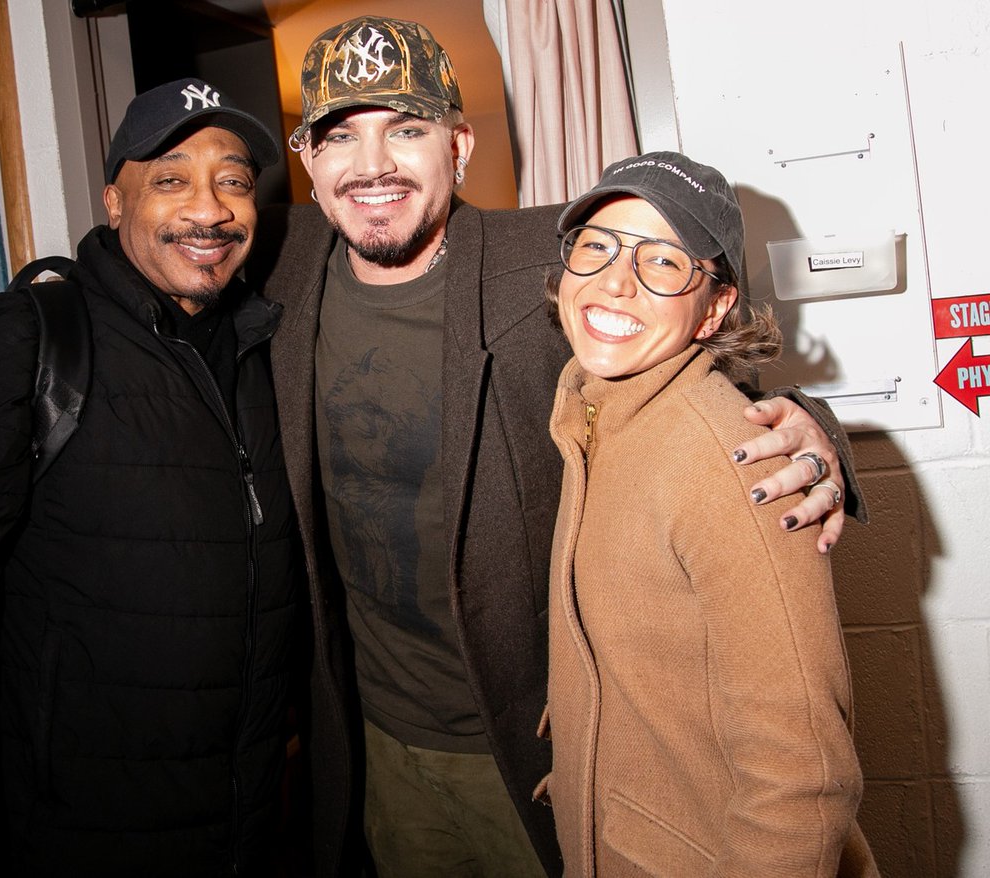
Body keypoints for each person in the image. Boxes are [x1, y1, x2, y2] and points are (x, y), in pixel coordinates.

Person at [244, 15, 867, 878]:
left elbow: (694, 362)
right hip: (371, 741)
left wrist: (815, 428)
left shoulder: (551, 259)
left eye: (408, 128)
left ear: (458, 145)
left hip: (536, 747)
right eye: (340, 134)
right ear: (306, 159)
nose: (373, 164)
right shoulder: (275, 257)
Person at [0, 79, 298, 877]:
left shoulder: (264, 353)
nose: (209, 210)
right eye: (170, 180)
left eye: (232, 180)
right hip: (73, 841)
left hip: (246, 835)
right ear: (113, 203)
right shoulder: (20, 342)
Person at [540, 151, 878, 876]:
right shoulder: (593, 406)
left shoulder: (732, 463)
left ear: (716, 307)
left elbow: (804, 779)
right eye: (597, 246)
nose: (614, 280)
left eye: (664, 262)